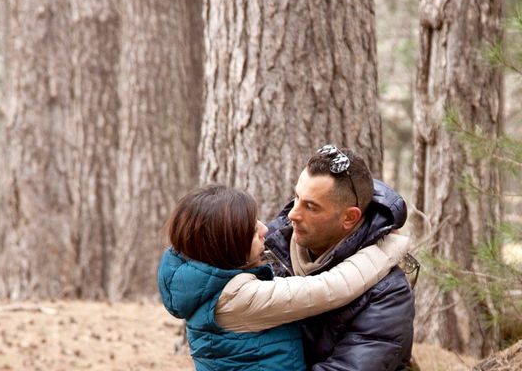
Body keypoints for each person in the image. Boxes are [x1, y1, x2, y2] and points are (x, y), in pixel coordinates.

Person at [158, 183, 410, 370]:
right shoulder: (240, 298)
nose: (265, 228)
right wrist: (386, 248)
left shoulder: (204, 279)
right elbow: (331, 288)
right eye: (250, 229)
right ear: (227, 246)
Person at [264, 145, 416, 371]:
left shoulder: (388, 292)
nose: (292, 214)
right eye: (296, 197)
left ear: (349, 218)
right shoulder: (270, 250)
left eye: (311, 207)